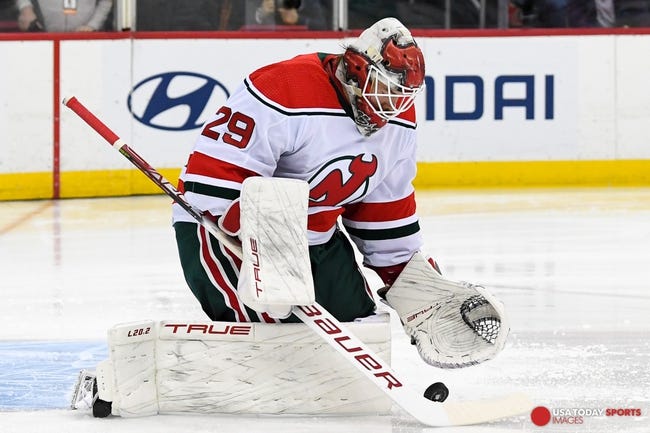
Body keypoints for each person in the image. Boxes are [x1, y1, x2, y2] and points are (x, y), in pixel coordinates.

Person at [172, 17, 508, 370]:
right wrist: (259, 245)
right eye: (385, 88)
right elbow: (214, 178)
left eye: (402, 95)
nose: (392, 105)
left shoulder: (399, 119)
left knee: (358, 335)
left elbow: (385, 212)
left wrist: (411, 280)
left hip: (316, 239)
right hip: (223, 231)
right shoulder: (282, 86)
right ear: (357, 67)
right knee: (275, 342)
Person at [16, 0, 112, 32]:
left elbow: (106, 1)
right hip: (45, 37)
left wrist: (93, 25)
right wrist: (25, 8)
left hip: (86, 39)